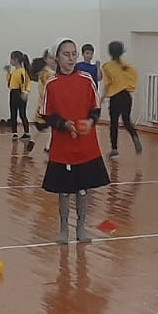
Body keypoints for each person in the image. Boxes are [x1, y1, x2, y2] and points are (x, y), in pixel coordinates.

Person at [40, 39, 109, 243]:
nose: (71, 59)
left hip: (85, 145)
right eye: (66, 54)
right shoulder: (51, 84)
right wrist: (64, 125)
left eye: (73, 54)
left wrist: (90, 121)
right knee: (64, 190)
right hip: (63, 146)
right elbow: (47, 114)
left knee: (83, 188)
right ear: (57, 58)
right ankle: (64, 228)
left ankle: (81, 227)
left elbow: (95, 107)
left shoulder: (86, 79)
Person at [100, 40, 142, 157]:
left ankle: (114, 148)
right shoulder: (127, 66)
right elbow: (133, 77)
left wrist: (102, 98)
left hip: (115, 97)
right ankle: (134, 136)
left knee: (114, 123)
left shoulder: (107, 67)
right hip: (127, 96)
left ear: (110, 52)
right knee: (126, 120)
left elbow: (108, 84)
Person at [6, 50, 32, 139]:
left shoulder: (22, 71)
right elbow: (9, 84)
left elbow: (25, 82)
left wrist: (25, 92)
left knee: (22, 113)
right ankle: (15, 133)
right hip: (13, 93)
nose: (10, 61)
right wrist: (8, 73)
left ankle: (27, 132)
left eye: (11, 59)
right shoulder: (14, 71)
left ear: (16, 60)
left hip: (20, 93)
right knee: (13, 114)